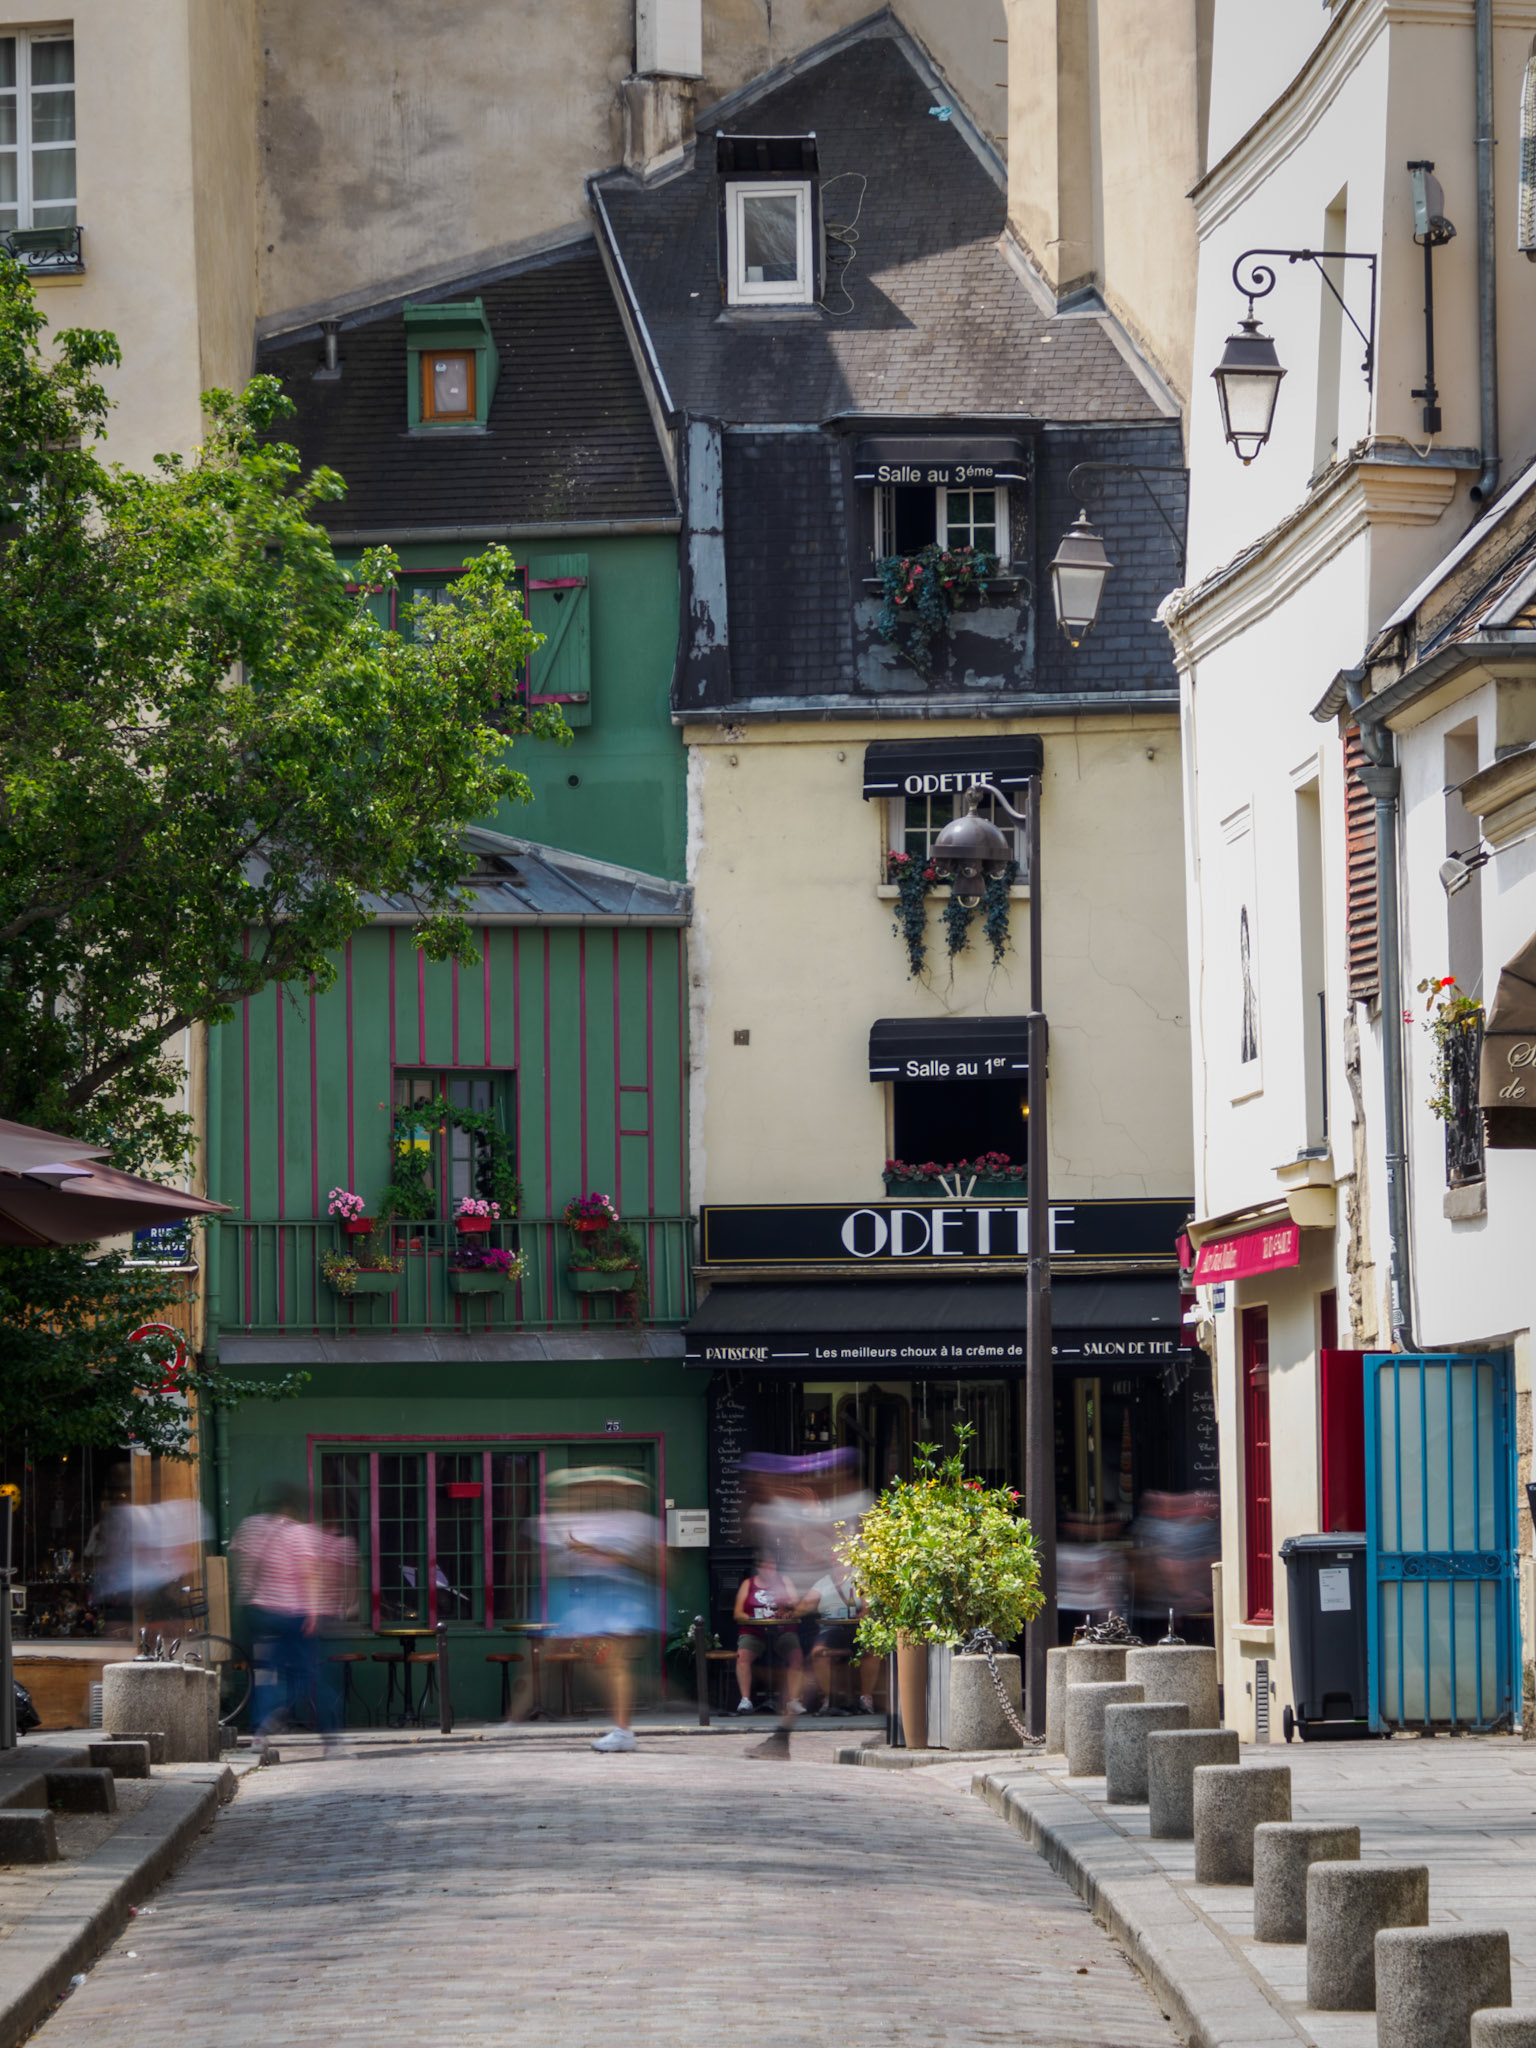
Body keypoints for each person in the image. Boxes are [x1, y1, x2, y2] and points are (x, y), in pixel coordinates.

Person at [539, 1467, 660, 1754]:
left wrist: (607, 1556)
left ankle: (623, 1729)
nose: (598, 1492)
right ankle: (624, 1724)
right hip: (590, 1603)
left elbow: (658, 1566)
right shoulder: (578, 1520)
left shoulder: (640, 1523)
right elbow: (558, 1564)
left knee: (614, 1664)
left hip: (623, 1602)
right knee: (596, 1662)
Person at [230, 1483, 339, 1751]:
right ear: (295, 1509)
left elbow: (239, 1564)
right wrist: (314, 1611)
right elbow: (308, 1574)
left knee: (267, 1672)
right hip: (292, 1614)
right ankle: (330, 1737)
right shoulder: (299, 1533)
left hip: (259, 1613)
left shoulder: (251, 1527)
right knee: (309, 1673)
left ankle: (260, 1730)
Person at [732, 1555, 803, 1755]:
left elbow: (797, 1605)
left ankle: (793, 1699)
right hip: (754, 1631)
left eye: (771, 1564)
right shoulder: (748, 1584)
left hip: (782, 1629)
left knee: (796, 1656)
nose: (768, 1568)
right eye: (764, 1564)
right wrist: (752, 1617)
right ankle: (746, 1700)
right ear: (758, 1567)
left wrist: (788, 1609)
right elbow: (737, 1614)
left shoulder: (785, 1582)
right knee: (743, 1656)